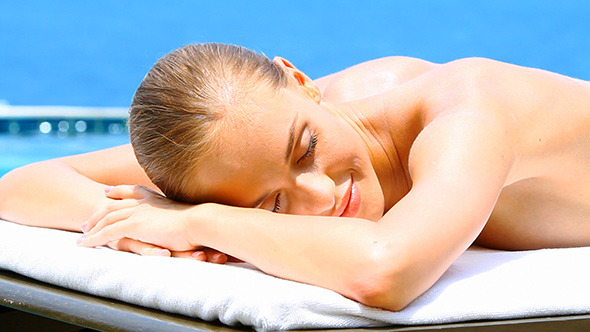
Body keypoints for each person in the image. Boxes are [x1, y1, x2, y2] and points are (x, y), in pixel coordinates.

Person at [0, 43, 588, 311]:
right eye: (273, 204)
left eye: (306, 149)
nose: (323, 195)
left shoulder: (469, 107)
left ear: (301, 79)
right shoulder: (247, 143)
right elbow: (22, 182)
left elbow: (387, 270)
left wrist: (203, 220)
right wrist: (135, 226)